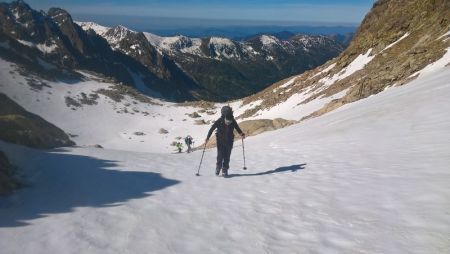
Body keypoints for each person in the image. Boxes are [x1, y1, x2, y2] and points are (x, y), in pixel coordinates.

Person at [206, 106, 245, 176]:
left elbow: (237, 128)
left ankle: (225, 169)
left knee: (227, 156)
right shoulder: (219, 121)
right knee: (220, 155)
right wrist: (207, 138)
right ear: (224, 118)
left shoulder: (232, 121)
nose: (228, 123)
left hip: (229, 140)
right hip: (220, 141)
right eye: (227, 121)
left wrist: (241, 133)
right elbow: (211, 129)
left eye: (229, 122)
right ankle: (218, 167)